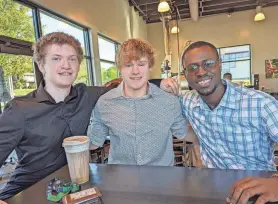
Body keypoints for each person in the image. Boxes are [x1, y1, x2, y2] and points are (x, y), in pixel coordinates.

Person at [0, 32, 175, 200]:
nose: (66, 65)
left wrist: (160, 83)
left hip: (75, 188)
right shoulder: (19, 109)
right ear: (41, 64)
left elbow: (130, 85)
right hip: (29, 192)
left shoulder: (88, 95)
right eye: (56, 59)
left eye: (72, 59)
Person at [179, 41, 278, 204]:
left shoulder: (260, 104)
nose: (201, 72)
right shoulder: (187, 102)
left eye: (208, 64)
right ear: (186, 73)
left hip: (259, 192)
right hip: (213, 191)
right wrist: (161, 83)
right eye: (192, 67)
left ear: (219, 65)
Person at [87, 38, 187, 166]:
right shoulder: (105, 103)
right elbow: (94, 141)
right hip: (122, 180)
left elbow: (183, 133)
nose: (135, 71)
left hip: (162, 180)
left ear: (150, 66)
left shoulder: (169, 102)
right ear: (120, 68)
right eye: (128, 65)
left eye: (141, 64)